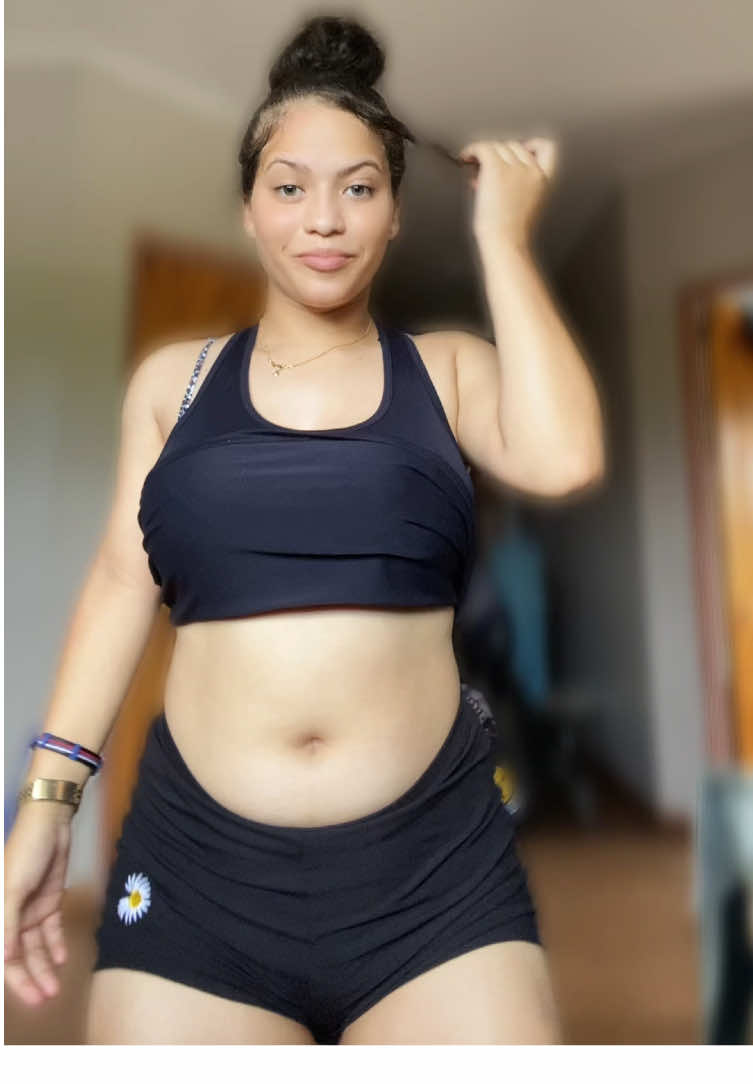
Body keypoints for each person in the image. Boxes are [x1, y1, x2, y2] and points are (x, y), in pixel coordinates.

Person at [5, 13, 603, 1044]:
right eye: (289, 188)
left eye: (358, 188)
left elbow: (565, 458)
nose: (324, 219)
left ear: (395, 214)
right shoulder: (173, 384)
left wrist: (502, 238)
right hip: (199, 871)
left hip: (434, 873)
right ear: (249, 210)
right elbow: (118, 584)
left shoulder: (446, 370)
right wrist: (48, 801)